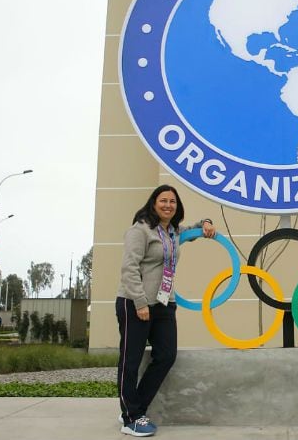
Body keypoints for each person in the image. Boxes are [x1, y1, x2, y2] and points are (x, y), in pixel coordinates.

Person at [116, 184, 216, 437]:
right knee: (131, 360)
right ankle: (131, 418)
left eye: (172, 201)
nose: (168, 205)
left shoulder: (172, 231)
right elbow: (129, 269)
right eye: (163, 200)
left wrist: (206, 222)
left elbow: (192, 230)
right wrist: (139, 303)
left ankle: (133, 406)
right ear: (153, 203)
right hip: (135, 303)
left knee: (166, 356)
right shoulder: (140, 230)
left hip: (164, 304)